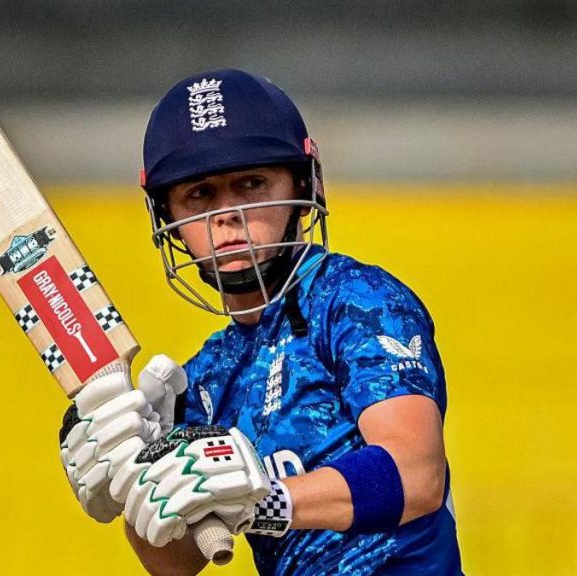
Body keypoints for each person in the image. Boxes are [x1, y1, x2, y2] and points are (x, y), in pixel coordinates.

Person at [60, 69, 462, 575]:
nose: (225, 216)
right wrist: (132, 480)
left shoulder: (354, 300)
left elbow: (414, 474)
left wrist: (263, 502)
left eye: (251, 184)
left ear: (303, 182)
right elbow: (177, 562)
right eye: (200, 195)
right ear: (169, 220)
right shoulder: (204, 379)